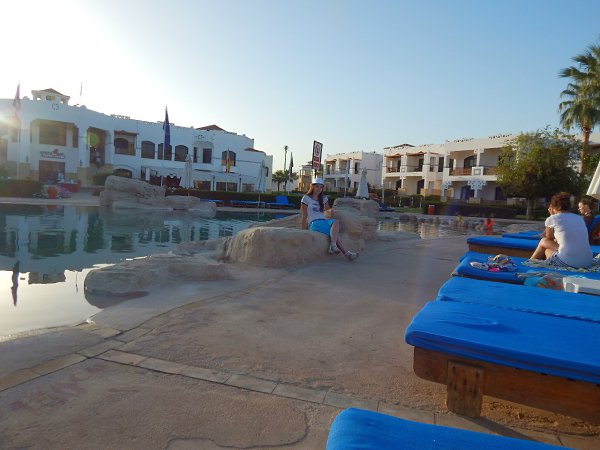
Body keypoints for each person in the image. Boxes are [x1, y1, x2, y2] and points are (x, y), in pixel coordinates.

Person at [300, 178, 358, 261]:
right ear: (312, 186)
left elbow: (328, 209)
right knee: (334, 236)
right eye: (317, 186)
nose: (319, 189)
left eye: (321, 187)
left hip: (324, 221)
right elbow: (304, 215)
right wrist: (302, 230)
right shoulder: (306, 198)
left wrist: (333, 211)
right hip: (314, 223)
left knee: (336, 223)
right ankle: (346, 253)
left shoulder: (323, 198)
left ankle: (336, 247)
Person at [530, 192, 593, 268]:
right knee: (559, 247)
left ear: (553, 206)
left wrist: (552, 215)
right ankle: (532, 261)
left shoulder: (552, 219)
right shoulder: (579, 218)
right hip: (587, 261)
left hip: (569, 263)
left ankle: (530, 262)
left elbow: (549, 239)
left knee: (544, 244)